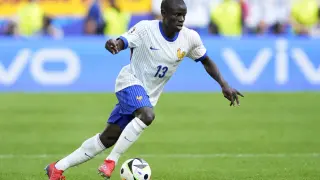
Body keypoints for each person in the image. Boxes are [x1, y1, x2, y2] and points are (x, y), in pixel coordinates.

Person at [45, 0, 244, 179]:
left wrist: (224, 84)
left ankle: (57, 168)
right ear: (163, 14)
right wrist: (115, 44)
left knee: (107, 137)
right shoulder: (145, 29)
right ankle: (111, 161)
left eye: (183, 15)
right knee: (148, 115)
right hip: (129, 82)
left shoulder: (190, 38)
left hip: (147, 95)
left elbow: (206, 60)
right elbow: (123, 41)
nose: (181, 19)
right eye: (176, 15)